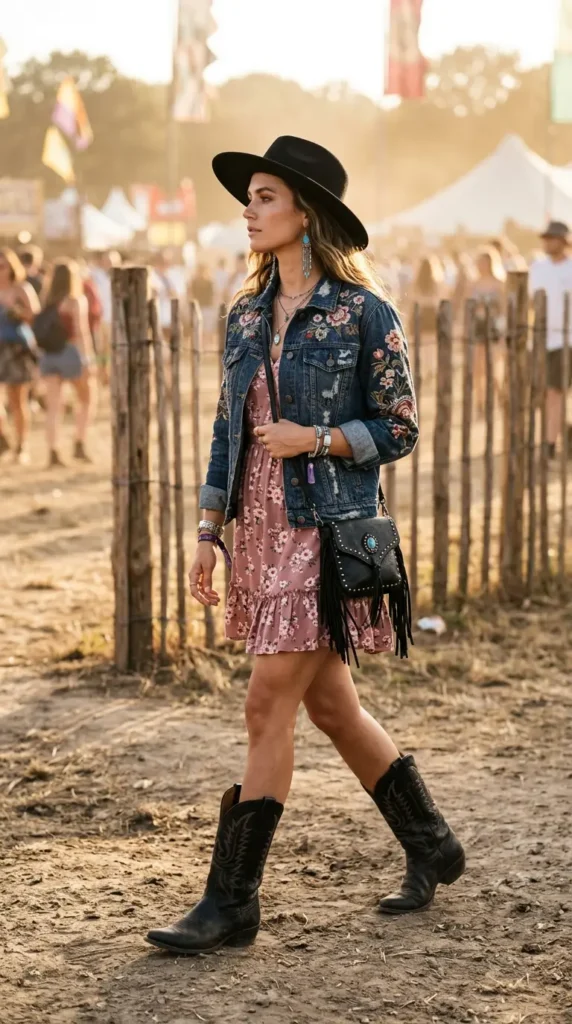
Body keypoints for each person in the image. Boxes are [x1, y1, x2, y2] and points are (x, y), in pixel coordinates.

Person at [146, 136, 465, 956]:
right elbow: (228, 431)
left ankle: (231, 904)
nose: (248, 212)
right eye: (248, 198)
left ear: (305, 214)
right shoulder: (246, 313)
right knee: (331, 706)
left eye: (263, 198)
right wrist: (209, 532)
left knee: (265, 704)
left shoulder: (365, 313)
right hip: (258, 531)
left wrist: (316, 439)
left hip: (325, 532)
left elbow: (400, 427)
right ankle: (433, 844)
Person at [39, 259, 94, 467]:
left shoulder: (48, 300)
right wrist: (88, 360)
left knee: (54, 407)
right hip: (70, 352)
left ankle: (53, 451)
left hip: (50, 355)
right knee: (87, 399)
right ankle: (79, 442)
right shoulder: (75, 300)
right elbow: (82, 332)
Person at [529, 221, 572, 457]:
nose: (547, 242)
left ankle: (551, 442)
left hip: (568, 339)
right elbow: (529, 302)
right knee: (548, 393)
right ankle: (552, 437)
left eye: (551, 238)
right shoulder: (538, 268)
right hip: (544, 339)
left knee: (557, 391)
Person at [0, 247, 40, 462]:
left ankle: (21, 445)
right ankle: (2, 438)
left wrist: (16, 310)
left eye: (3, 266)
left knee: (17, 400)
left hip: (16, 348)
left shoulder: (21, 288)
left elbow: (34, 316)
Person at [470, 246, 506, 416]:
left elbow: (504, 308)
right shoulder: (474, 283)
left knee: (493, 365)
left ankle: (498, 395)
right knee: (478, 368)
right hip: (478, 327)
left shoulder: (499, 283)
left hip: (493, 327)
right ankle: (480, 402)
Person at [88, 251, 120, 384]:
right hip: (100, 319)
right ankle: (103, 373)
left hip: (115, 318)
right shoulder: (94, 275)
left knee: (114, 347)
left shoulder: (119, 277)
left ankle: (112, 372)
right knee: (101, 348)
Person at [190, 263, 215, 349]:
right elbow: (191, 294)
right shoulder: (194, 282)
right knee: (198, 327)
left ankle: (205, 346)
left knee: (207, 328)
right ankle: (199, 345)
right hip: (197, 307)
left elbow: (213, 295)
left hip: (207, 307)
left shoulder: (209, 282)